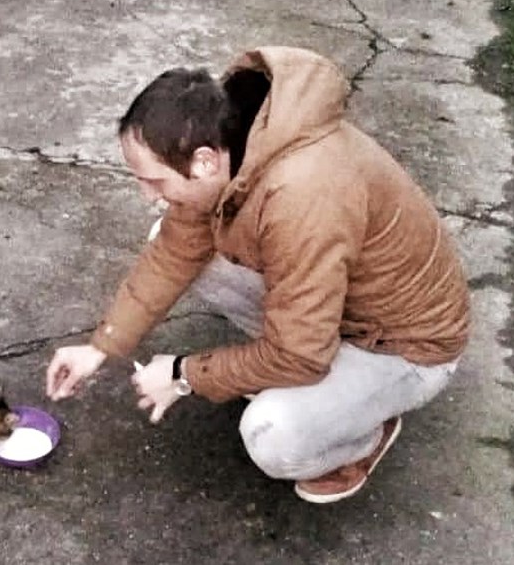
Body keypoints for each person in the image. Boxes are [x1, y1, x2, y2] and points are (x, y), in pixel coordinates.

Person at [45, 46, 470, 503]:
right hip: (341, 306)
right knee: (172, 240)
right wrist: (101, 346)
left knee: (272, 434)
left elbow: (302, 355)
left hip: (402, 347)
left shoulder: (302, 195)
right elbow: (173, 253)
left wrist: (183, 374)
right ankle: (323, 384)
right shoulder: (237, 141)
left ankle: (364, 436)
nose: (148, 195)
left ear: (205, 160)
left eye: (155, 181)